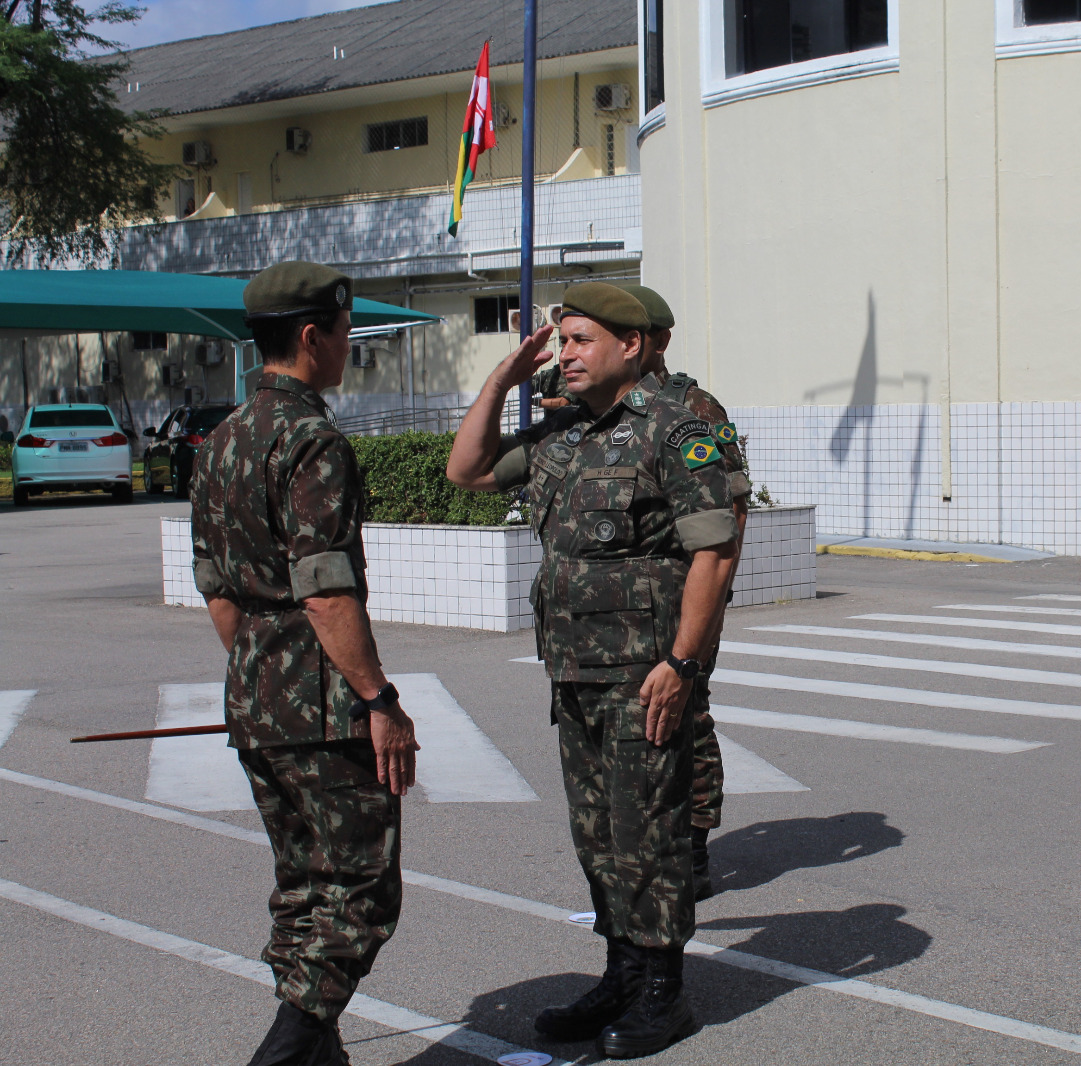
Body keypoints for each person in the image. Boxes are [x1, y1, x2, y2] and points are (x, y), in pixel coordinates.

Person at [447, 282, 739, 1059]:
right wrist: (500, 382)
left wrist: (682, 663)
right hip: (574, 670)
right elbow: (466, 471)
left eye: (579, 341)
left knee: (651, 833)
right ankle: (619, 969)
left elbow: (714, 548)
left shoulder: (676, 433)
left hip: (645, 673)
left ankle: (660, 992)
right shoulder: (567, 437)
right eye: (560, 341)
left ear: (632, 346)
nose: (564, 355)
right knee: (599, 836)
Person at [190, 261, 419, 1066]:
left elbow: (217, 589)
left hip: (256, 692)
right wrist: (377, 698)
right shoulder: (311, 438)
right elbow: (325, 592)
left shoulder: (221, 440)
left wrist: (263, 674)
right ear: (314, 335)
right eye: (348, 332)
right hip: (322, 701)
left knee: (302, 885)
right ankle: (288, 1052)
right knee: (359, 887)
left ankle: (316, 1052)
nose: (349, 347)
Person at [518, 287, 748, 901]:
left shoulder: (689, 409)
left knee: (685, 717)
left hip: (673, 604)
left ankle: (693, 836)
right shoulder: (589, 405)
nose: (571, 353)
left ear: (648, 341)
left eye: (585, 339)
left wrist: (711, 607)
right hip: (606, 630)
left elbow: (727, 513)